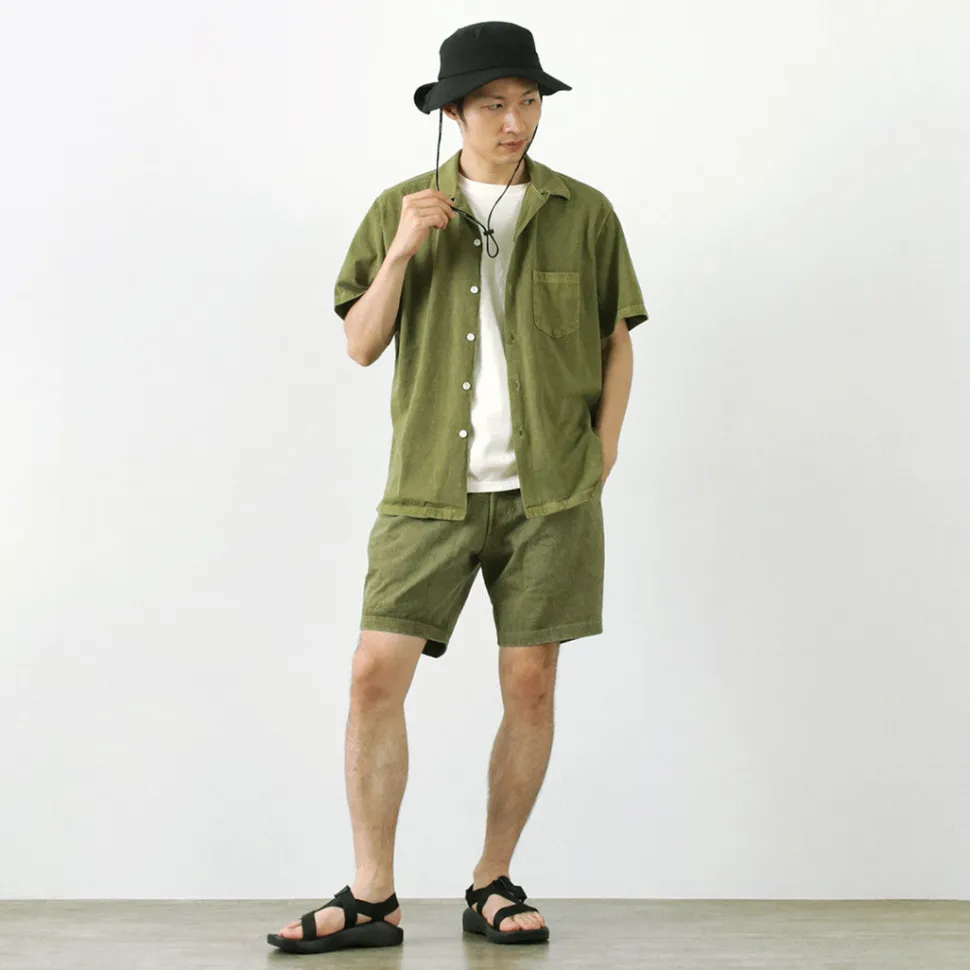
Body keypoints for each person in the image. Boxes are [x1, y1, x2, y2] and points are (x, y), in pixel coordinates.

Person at [267, 20, 648, 956]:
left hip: (550, 498)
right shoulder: (399, 208)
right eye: (493, 104)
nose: (515, 122)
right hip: (428, 490)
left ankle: (493, 880)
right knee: (373, 675)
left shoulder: (585, 212)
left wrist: (601, 455)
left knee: (531, 684)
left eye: (529, 102)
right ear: (451, 111)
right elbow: (360, 344)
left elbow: (616, 341)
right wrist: (402, 250)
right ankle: (372, 896)